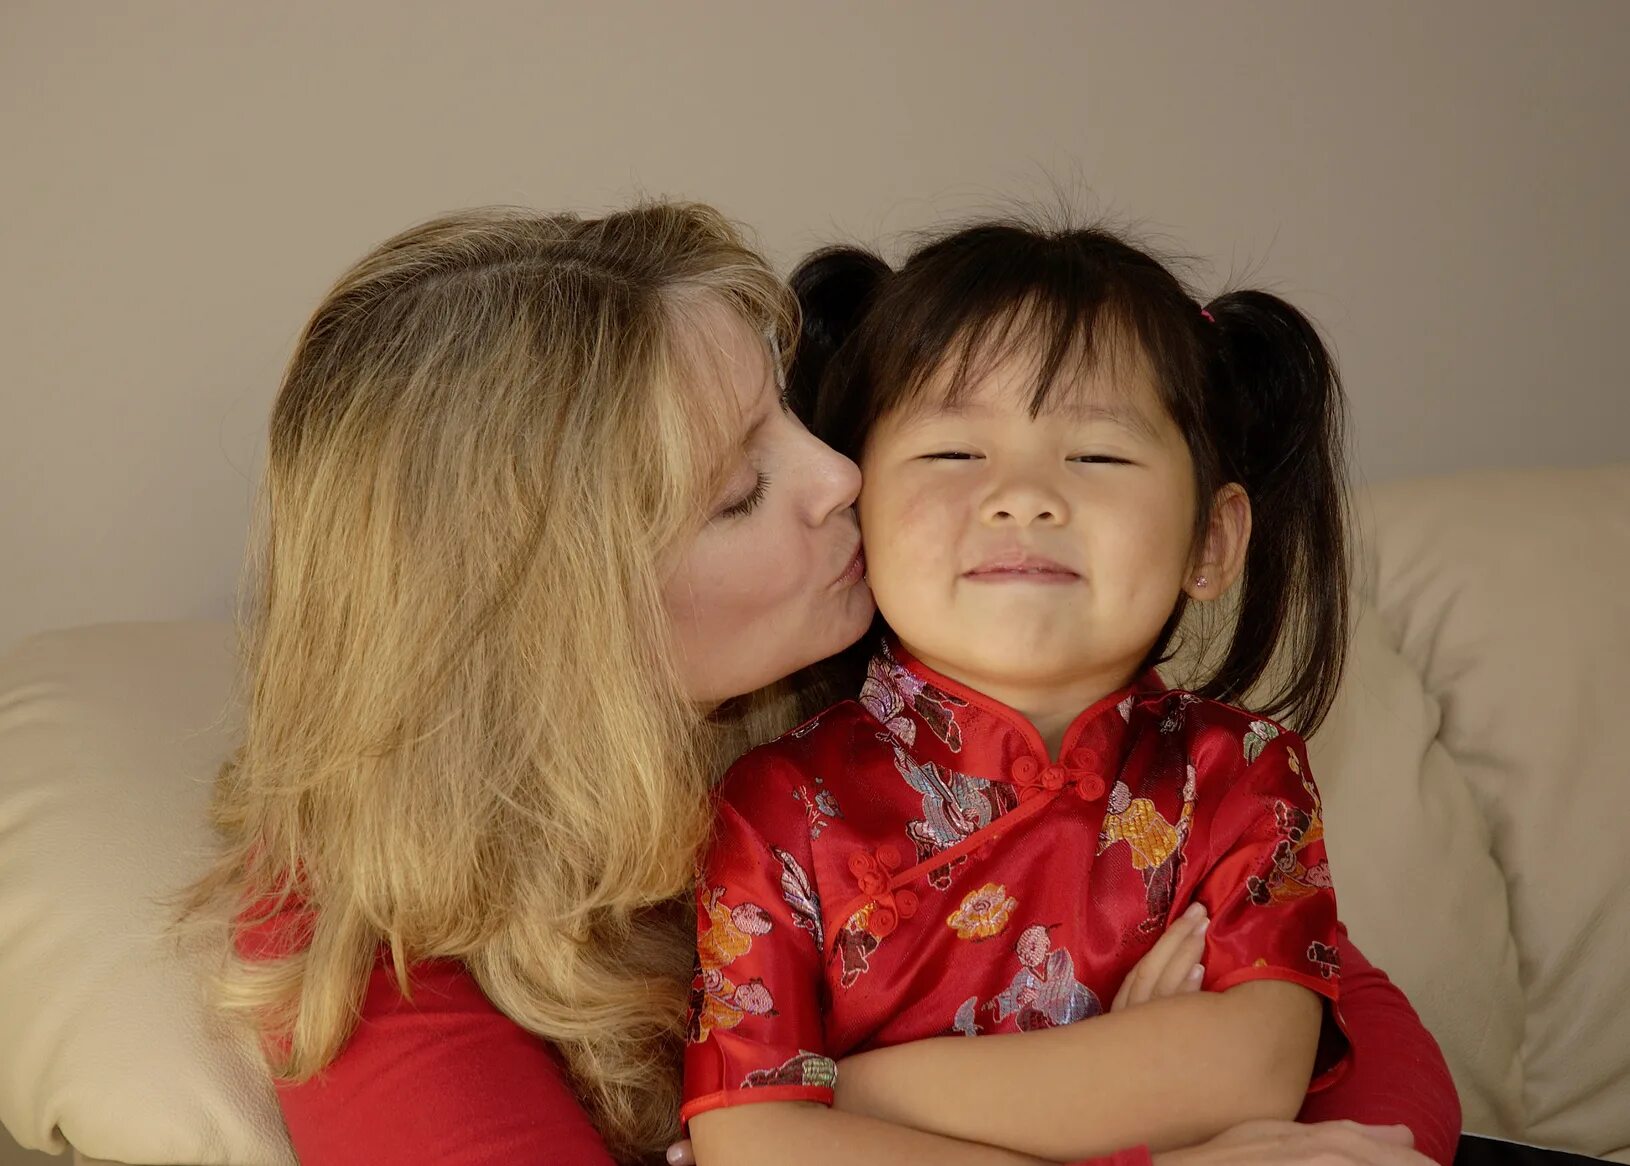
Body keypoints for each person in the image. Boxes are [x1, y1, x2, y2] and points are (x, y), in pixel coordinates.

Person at [188, 202, 1456, 1166]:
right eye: (740, 490)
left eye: (797, 417)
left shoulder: (929, 686)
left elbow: (1361, 1051)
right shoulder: (369, 936)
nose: (843, 478)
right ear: (553, 619)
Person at [682, 220, 1459, 1166]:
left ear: (1212, 542)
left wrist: (851, 1091)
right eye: (952, 454)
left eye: (1096, 456)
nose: (1024, 497)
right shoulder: (778, 803)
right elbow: (754, 1142)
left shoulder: (1244, 774)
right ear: (855, 512)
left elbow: (1250, 1071)